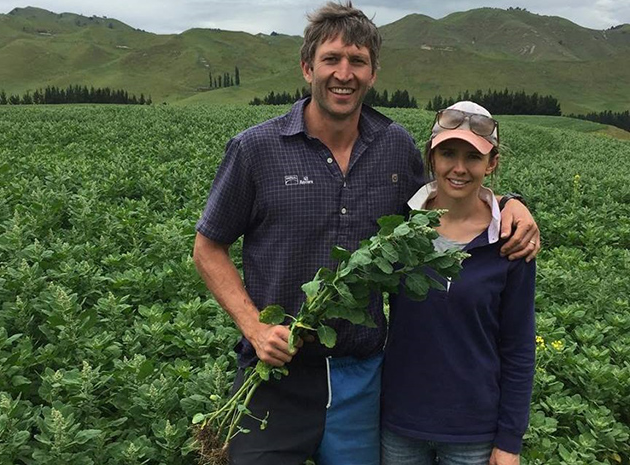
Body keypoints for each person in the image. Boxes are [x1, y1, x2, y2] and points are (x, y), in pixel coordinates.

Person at [193, 2, 539, 464]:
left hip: (364, 377)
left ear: (373, 73)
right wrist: (255, 328)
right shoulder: (256, 148)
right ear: (307, 66)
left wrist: (509, 203)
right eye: (332, 59)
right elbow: (208, 246)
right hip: (276, 375)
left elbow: (449, 196)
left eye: (357, 62)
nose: (344, 73)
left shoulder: (394, 146)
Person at [381, 101, 536, 465]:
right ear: (431, 157)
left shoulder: (510, 241)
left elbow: (518, 347)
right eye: (448, 153)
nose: (459, 168)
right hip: (401, 423)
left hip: (473, 432)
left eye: (474, 157)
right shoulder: (399, 228)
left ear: (491, 163)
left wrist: (509, 440)